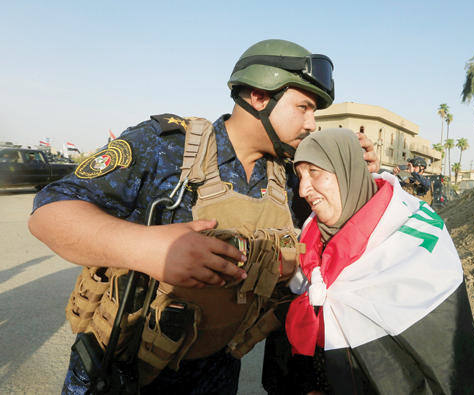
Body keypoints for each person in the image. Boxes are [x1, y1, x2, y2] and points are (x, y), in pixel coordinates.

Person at [28, 39, 378, 394]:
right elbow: (50, 212)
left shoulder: (288, 178)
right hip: (121, 374)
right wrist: (147, 249)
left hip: (216, 374)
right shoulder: (167, 145)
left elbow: (340, 238)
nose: (311, 123)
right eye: (303, 107)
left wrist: (355, 176)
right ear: (258, 96)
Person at [286, 128, 474, 394]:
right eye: (299, 176)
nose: (303, 189)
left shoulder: (408, 243)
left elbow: (444, 364)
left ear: (348, 170)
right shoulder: (311, 243)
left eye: (314, 172)